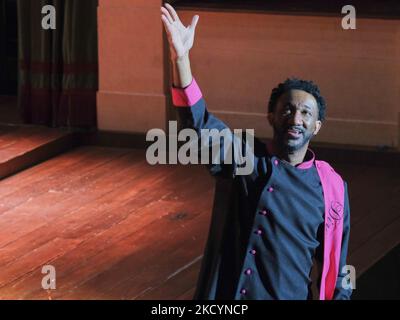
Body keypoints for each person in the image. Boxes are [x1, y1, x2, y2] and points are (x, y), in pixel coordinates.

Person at [161, 3, 352, 300]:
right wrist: (181, 59)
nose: (295, 118)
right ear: (271, 116)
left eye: (305, 113)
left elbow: (336, 272)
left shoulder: (332, 188)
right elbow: (197, 124)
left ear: (316, 127)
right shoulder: (246, 157)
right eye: (287, 109)